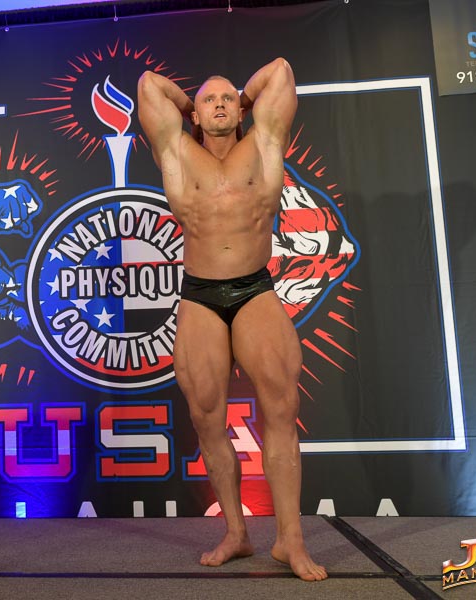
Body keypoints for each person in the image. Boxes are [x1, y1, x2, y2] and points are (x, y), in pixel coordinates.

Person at [137, 59, 327, 581]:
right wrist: (190, 106)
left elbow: (282, 71)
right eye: (209, 100)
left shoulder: (264, 141)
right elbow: (149, 85)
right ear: (194, 114)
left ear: (242, 110)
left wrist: (237, 100)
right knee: (206, 417)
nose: (219, 104)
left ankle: (290, 540)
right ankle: (237, 533)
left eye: (227, 99)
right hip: (199, 295)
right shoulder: (176, 150)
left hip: (254, 290)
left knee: (281, 409)